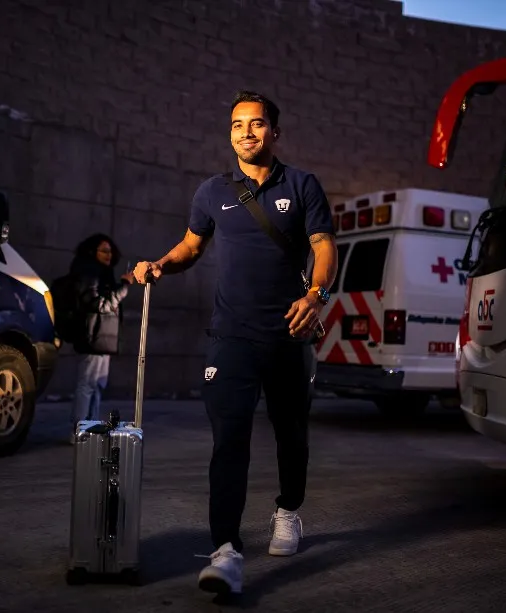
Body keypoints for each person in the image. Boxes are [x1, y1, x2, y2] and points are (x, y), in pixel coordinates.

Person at [133, 90, 337, 596]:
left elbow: (324, 246)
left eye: (257, 124)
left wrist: (316, 295)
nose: (246, 132)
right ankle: (226, 550)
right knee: (229, 440)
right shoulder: (212, 192)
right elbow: (191, 245)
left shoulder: (303, 185)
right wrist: (161, 264)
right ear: (230, 133)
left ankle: (288, 510)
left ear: (275, 132)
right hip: (231, 336)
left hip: (289, 334)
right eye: (237, 125)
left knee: (292, 434)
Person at [68, 233, 135, 442]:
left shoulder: (101, 272)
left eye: (110, 250)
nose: (109, 254)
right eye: (103, 250)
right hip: (93, 336)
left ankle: (90, 427)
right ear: (92, 251)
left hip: (102, 337)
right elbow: (99, 304)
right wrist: (124, 286)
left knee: (97, 384)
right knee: (87, 384)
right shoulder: (89, 272)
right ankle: (79, 430)